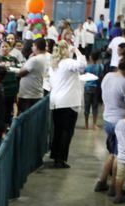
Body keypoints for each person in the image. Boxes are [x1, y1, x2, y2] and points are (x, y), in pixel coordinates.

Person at [94, 51, 125, 195]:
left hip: (107, 119)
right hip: (121, 123)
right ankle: (114, 187)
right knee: (119, 156)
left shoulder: (108, 76)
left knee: (112, 153)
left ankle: (101, 181)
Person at [48, 41, 86, 169]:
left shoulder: (53, 64)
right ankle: (61, 159)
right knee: (66, 132)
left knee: (58, 131)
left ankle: (55, 156)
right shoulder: (67, 62)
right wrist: (77, 51)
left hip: (56, 101)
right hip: (68, 102)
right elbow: (82, 65)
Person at [17, 38, 49, 114]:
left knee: (25, 117)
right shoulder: (45, 57)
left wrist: (29, 59)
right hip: (36, 92)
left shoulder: (35, 59)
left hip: (29, 95)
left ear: (36, 46)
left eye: (33, 46)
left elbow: (21, 73)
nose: (32, 48)